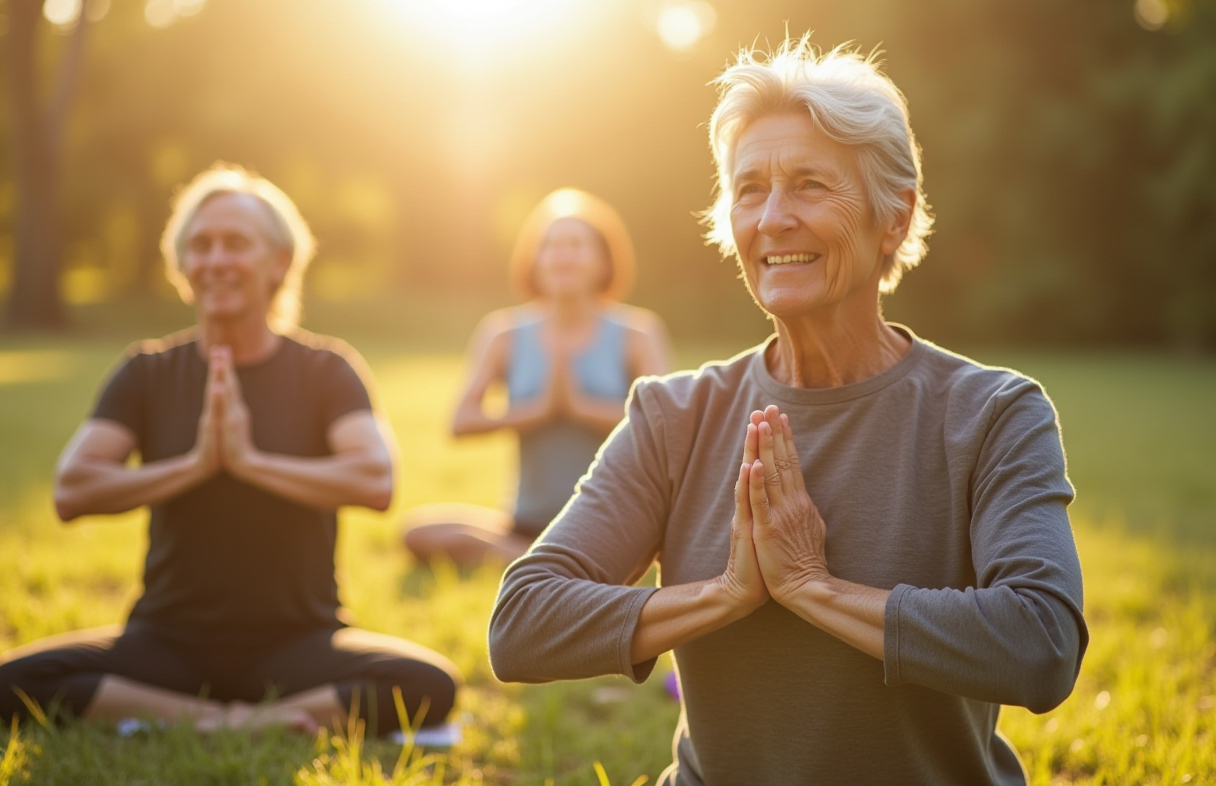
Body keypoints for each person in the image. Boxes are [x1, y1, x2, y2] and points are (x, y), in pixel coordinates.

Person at [489, 38, 1088, 785]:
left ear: (894, 219)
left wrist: (814, 588)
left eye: (809, 185)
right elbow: (521, 624)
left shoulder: (992, 414)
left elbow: (1042, 646)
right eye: (749, 190)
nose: (773, 218)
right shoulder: (675, 414)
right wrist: (724, 595)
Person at [0, 164, 459, 736]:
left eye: (236, 243)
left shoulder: (327, 369)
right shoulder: (147, 371)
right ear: (183, 267)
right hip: (167, 640)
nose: (216, 259)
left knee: (427, 682)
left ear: (279, 262)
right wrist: (196, 465)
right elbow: (73, 490)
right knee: (9, 682)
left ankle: (200, 718)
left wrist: (250, 463)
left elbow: (376, 480)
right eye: (200, 245)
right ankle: (228, 721)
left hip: (299, 643)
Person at [403, 189, 671, 569]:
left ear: (603, 261)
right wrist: (539, 411)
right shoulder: (504, 333)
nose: (563, 255)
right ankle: (547, 561)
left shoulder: (637, 333)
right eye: (551, 245)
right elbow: (461, 422)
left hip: (610, 522)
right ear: (534, 260)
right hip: (526, 522)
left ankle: (544, 562)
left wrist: (579, 407)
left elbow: (665, 429)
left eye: (576, 245)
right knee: (417, 532)